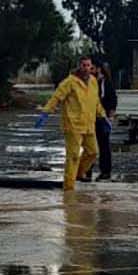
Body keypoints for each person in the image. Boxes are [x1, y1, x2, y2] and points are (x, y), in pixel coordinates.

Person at [39, 58, 101, 191]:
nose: (86, 68)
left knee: (93, 152)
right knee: (73, 156)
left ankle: (78, 173)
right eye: (83, 65)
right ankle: (69, 188)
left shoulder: (93, 82)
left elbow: (96, 101)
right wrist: (46, 112)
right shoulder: (69, 82)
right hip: (72, 124)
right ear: (79, 66)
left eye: (88, 65)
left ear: (91, 67)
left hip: (89, 124)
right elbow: (57, 97)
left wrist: (103, 116)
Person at [89, 53, 118, 183]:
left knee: (103, 146)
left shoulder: (105, 83)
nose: (90, 71)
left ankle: (105, 172)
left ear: (98, 69)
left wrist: (110, 117)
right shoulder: (89, 82)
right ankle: (86, 171)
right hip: (89, 118)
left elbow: (112, 99)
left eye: (92, 68)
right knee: (89, 147)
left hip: (102, 119)